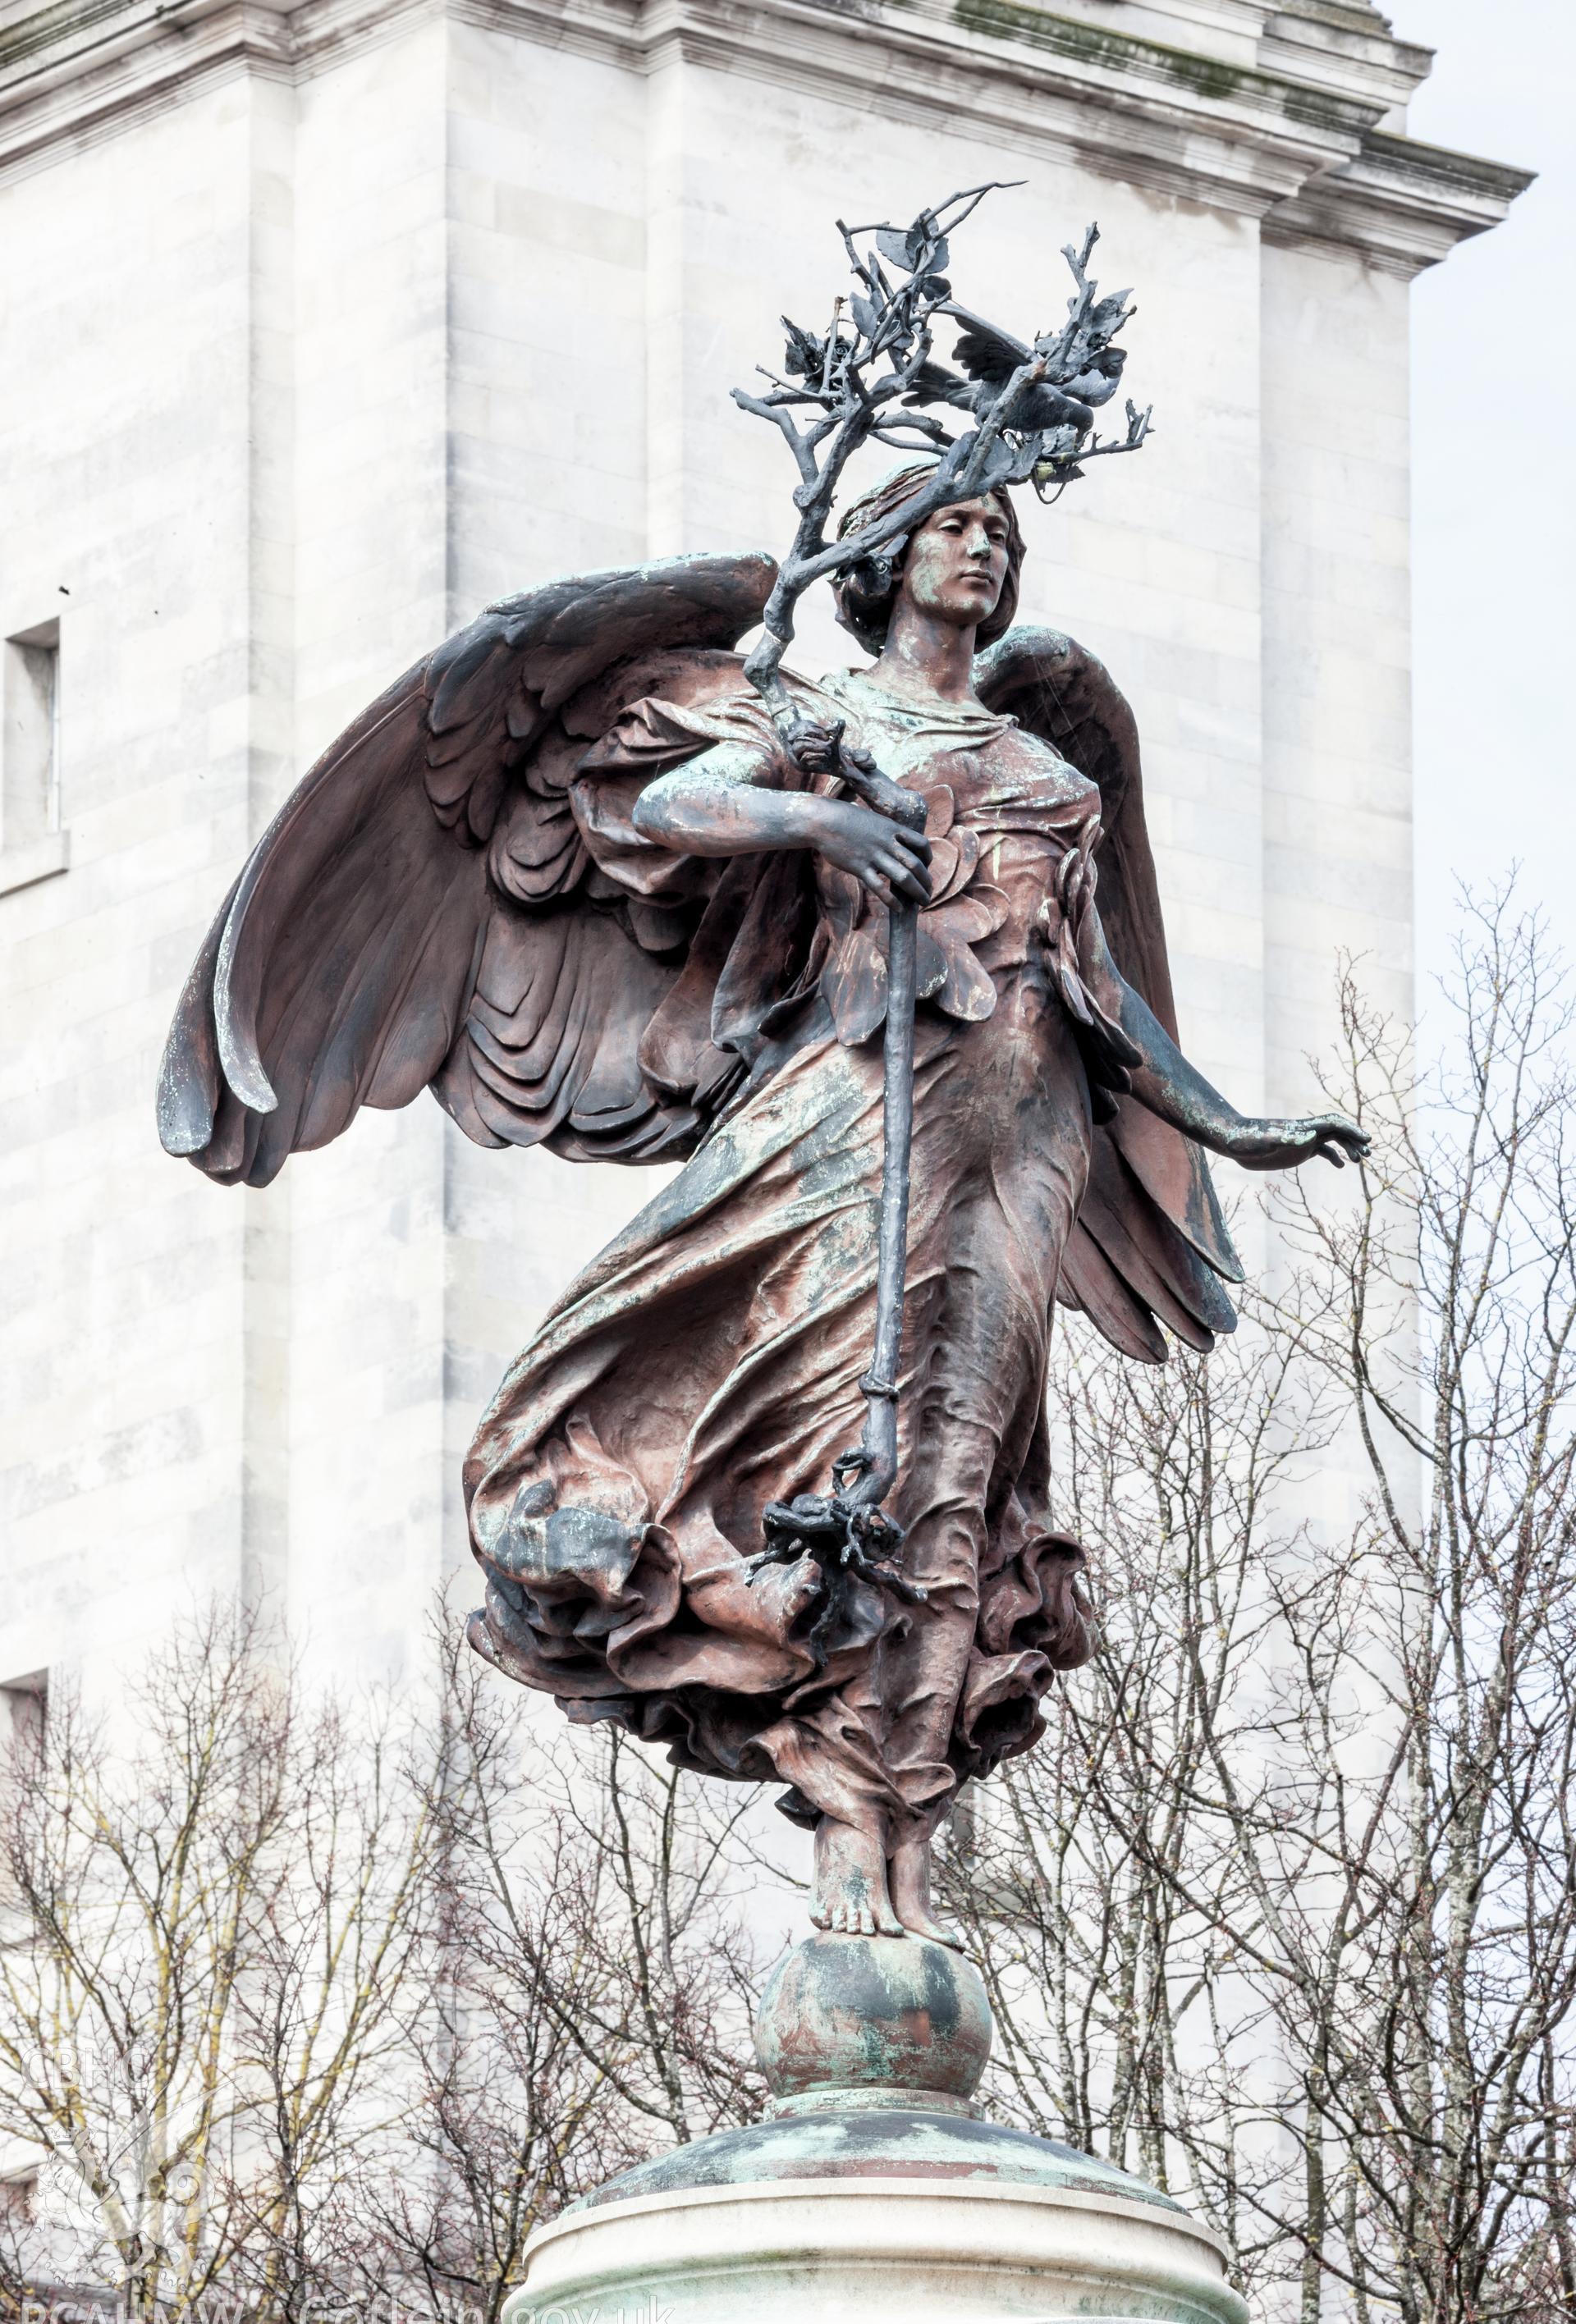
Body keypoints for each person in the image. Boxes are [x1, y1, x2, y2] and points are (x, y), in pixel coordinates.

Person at [461, 466, 1368, 1943]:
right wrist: (822, 828)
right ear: (883, 562)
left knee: (959, 1483)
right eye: (954, 525)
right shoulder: (825, 717)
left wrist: (1229, 1124)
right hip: (855, 1119)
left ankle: (892, 1831)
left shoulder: (1042, 768)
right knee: (829, 1442)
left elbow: (1101, 993)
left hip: (1027, 1138)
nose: (983, 546)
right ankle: (781, 1714)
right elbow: (679, 801)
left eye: (1000, 534)